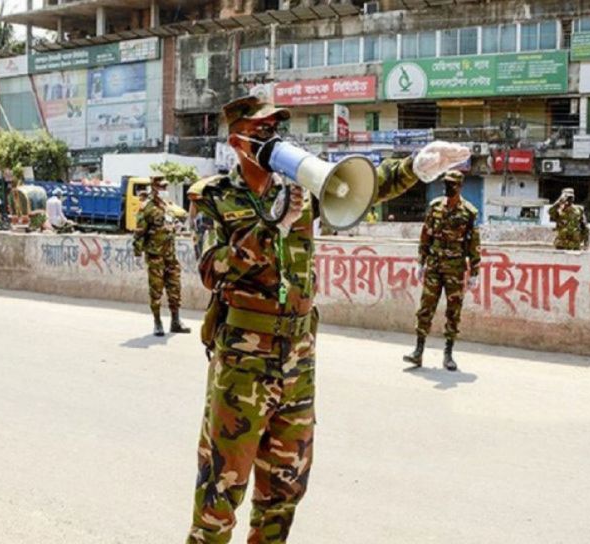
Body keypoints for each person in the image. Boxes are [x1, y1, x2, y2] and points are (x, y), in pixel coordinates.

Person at [186, 95, 470, 543]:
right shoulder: (213, 197)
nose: (270, 136)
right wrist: (269, 228)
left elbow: (358, 187)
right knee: (221, 491)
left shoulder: (298, 188)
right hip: (243, 361)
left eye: (275, 127)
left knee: (284, 491)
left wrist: (414, 166)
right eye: (260, 129)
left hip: (297, 359)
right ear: (236, 138)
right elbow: (210, 269)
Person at [403, 170, 481, 372]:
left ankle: (448, 354)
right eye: (446, 183)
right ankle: (418, 352)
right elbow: (426, 235)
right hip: (434, 267)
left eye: (452, 184)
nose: (448, 187)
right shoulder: (435, 207)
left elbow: (473, 244)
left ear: (460, 186)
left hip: (455, 269)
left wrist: (474, 271)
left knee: (453, 311)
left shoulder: (469, 213)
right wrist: (421, 262)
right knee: (425, 307)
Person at [133, 176, 191, 337]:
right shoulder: (147, 208)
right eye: (161, 187)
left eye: (166, 187)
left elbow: (174, 222)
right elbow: (139, 232)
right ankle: (157, 323)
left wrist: (178, 226)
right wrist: (137, 252)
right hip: (155, 256)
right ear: (153, 188)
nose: (164, 190)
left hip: (170, 256)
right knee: (156, 290)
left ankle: (175, 321)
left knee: (175, 288)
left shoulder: (168, 206)